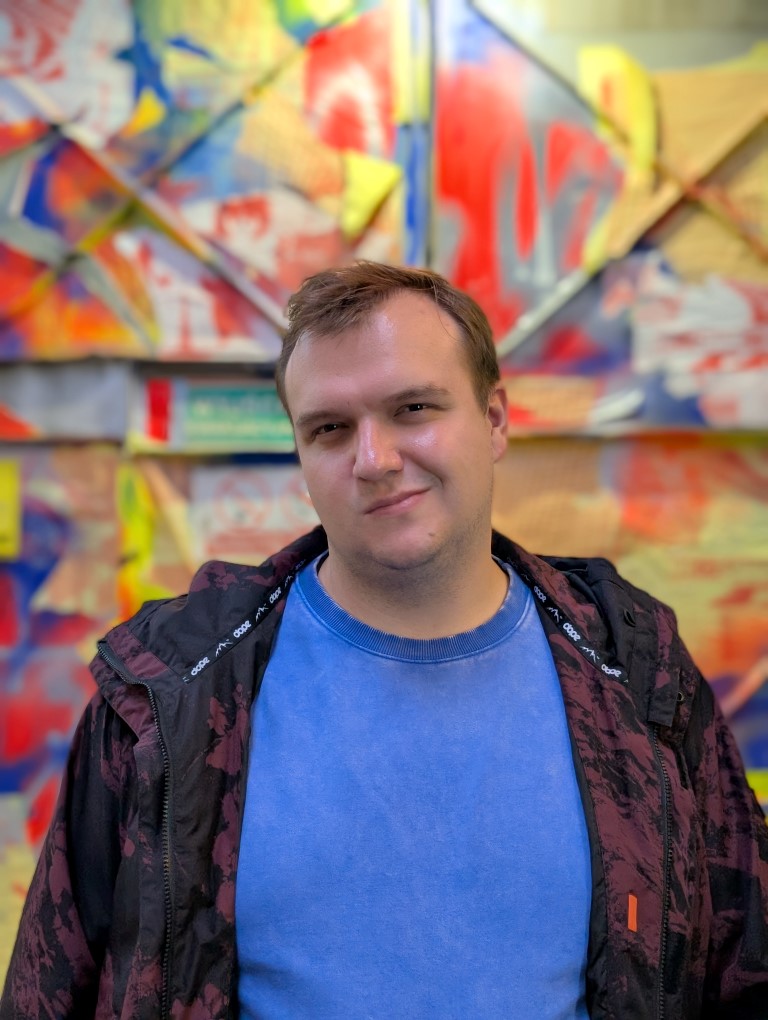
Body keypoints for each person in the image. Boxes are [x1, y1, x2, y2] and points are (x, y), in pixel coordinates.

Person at [2, 261, 768, 1020]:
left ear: (495, 420)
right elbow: (50, 989)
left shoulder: (633, 669)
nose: (375, 460)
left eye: (413, 409)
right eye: (330, 429)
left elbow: (745, 969)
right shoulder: (172, 690)